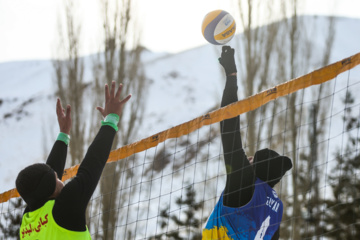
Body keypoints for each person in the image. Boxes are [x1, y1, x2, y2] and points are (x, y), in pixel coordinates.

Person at [16, 81, 131, 239]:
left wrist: (63, 134)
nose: (59, 177)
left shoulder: (28, 221)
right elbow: (92, 165)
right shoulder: (65, 208)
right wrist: (111, 119)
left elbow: (47, 175)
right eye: (56, 178)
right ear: (49, 188)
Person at [202, 46, 293, 240]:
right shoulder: (277, 208)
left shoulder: (244, 183)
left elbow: (229, 128)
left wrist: (231, 76)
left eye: (252, 160)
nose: (248, 158)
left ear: (255, 169)